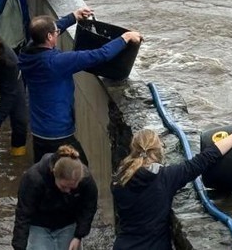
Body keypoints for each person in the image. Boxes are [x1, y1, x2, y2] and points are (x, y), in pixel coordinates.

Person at [18, 9, 143, 165]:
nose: (58, 32)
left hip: (38, 131)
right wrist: (125, 38)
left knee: (45, 173)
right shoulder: (58, 62)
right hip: (59, 133)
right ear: (49, 37)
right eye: (56, 32)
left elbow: (47, 29)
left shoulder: (26, 53)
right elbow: (100, 55)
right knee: (81, 171)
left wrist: (73, 17)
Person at [111, 123, 232, 249]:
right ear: (158, 150)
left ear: (133, 149)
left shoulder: (119, 179)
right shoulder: (166, 178)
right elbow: (206, 157)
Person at [13, 145, 97, 250]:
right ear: (54, 174)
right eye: (64, 187)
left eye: (72, 188)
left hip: (68, 223)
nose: (68, 191)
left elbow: (89, 208)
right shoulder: (33, 179)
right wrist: (19, 246)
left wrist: (78, 236)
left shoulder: (86, 180)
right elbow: (23, 214)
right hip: (39, 224)